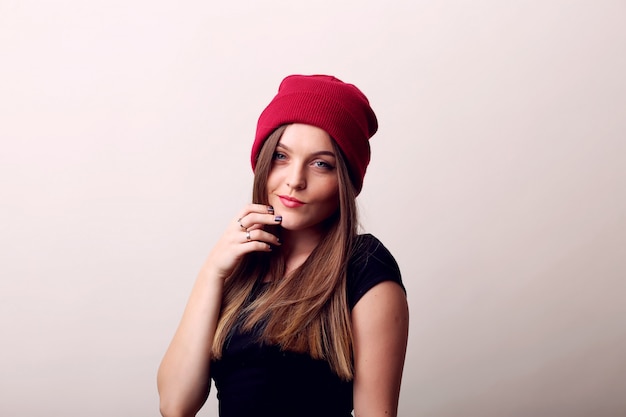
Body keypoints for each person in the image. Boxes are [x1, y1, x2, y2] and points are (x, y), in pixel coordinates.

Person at [157, 74, 409, 417]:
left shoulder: (365, 266)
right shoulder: (239, 267)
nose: (295, 180)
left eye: (321, 164)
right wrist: (211, 272)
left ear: (345, 181)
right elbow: (175, 405)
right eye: (280, 156)